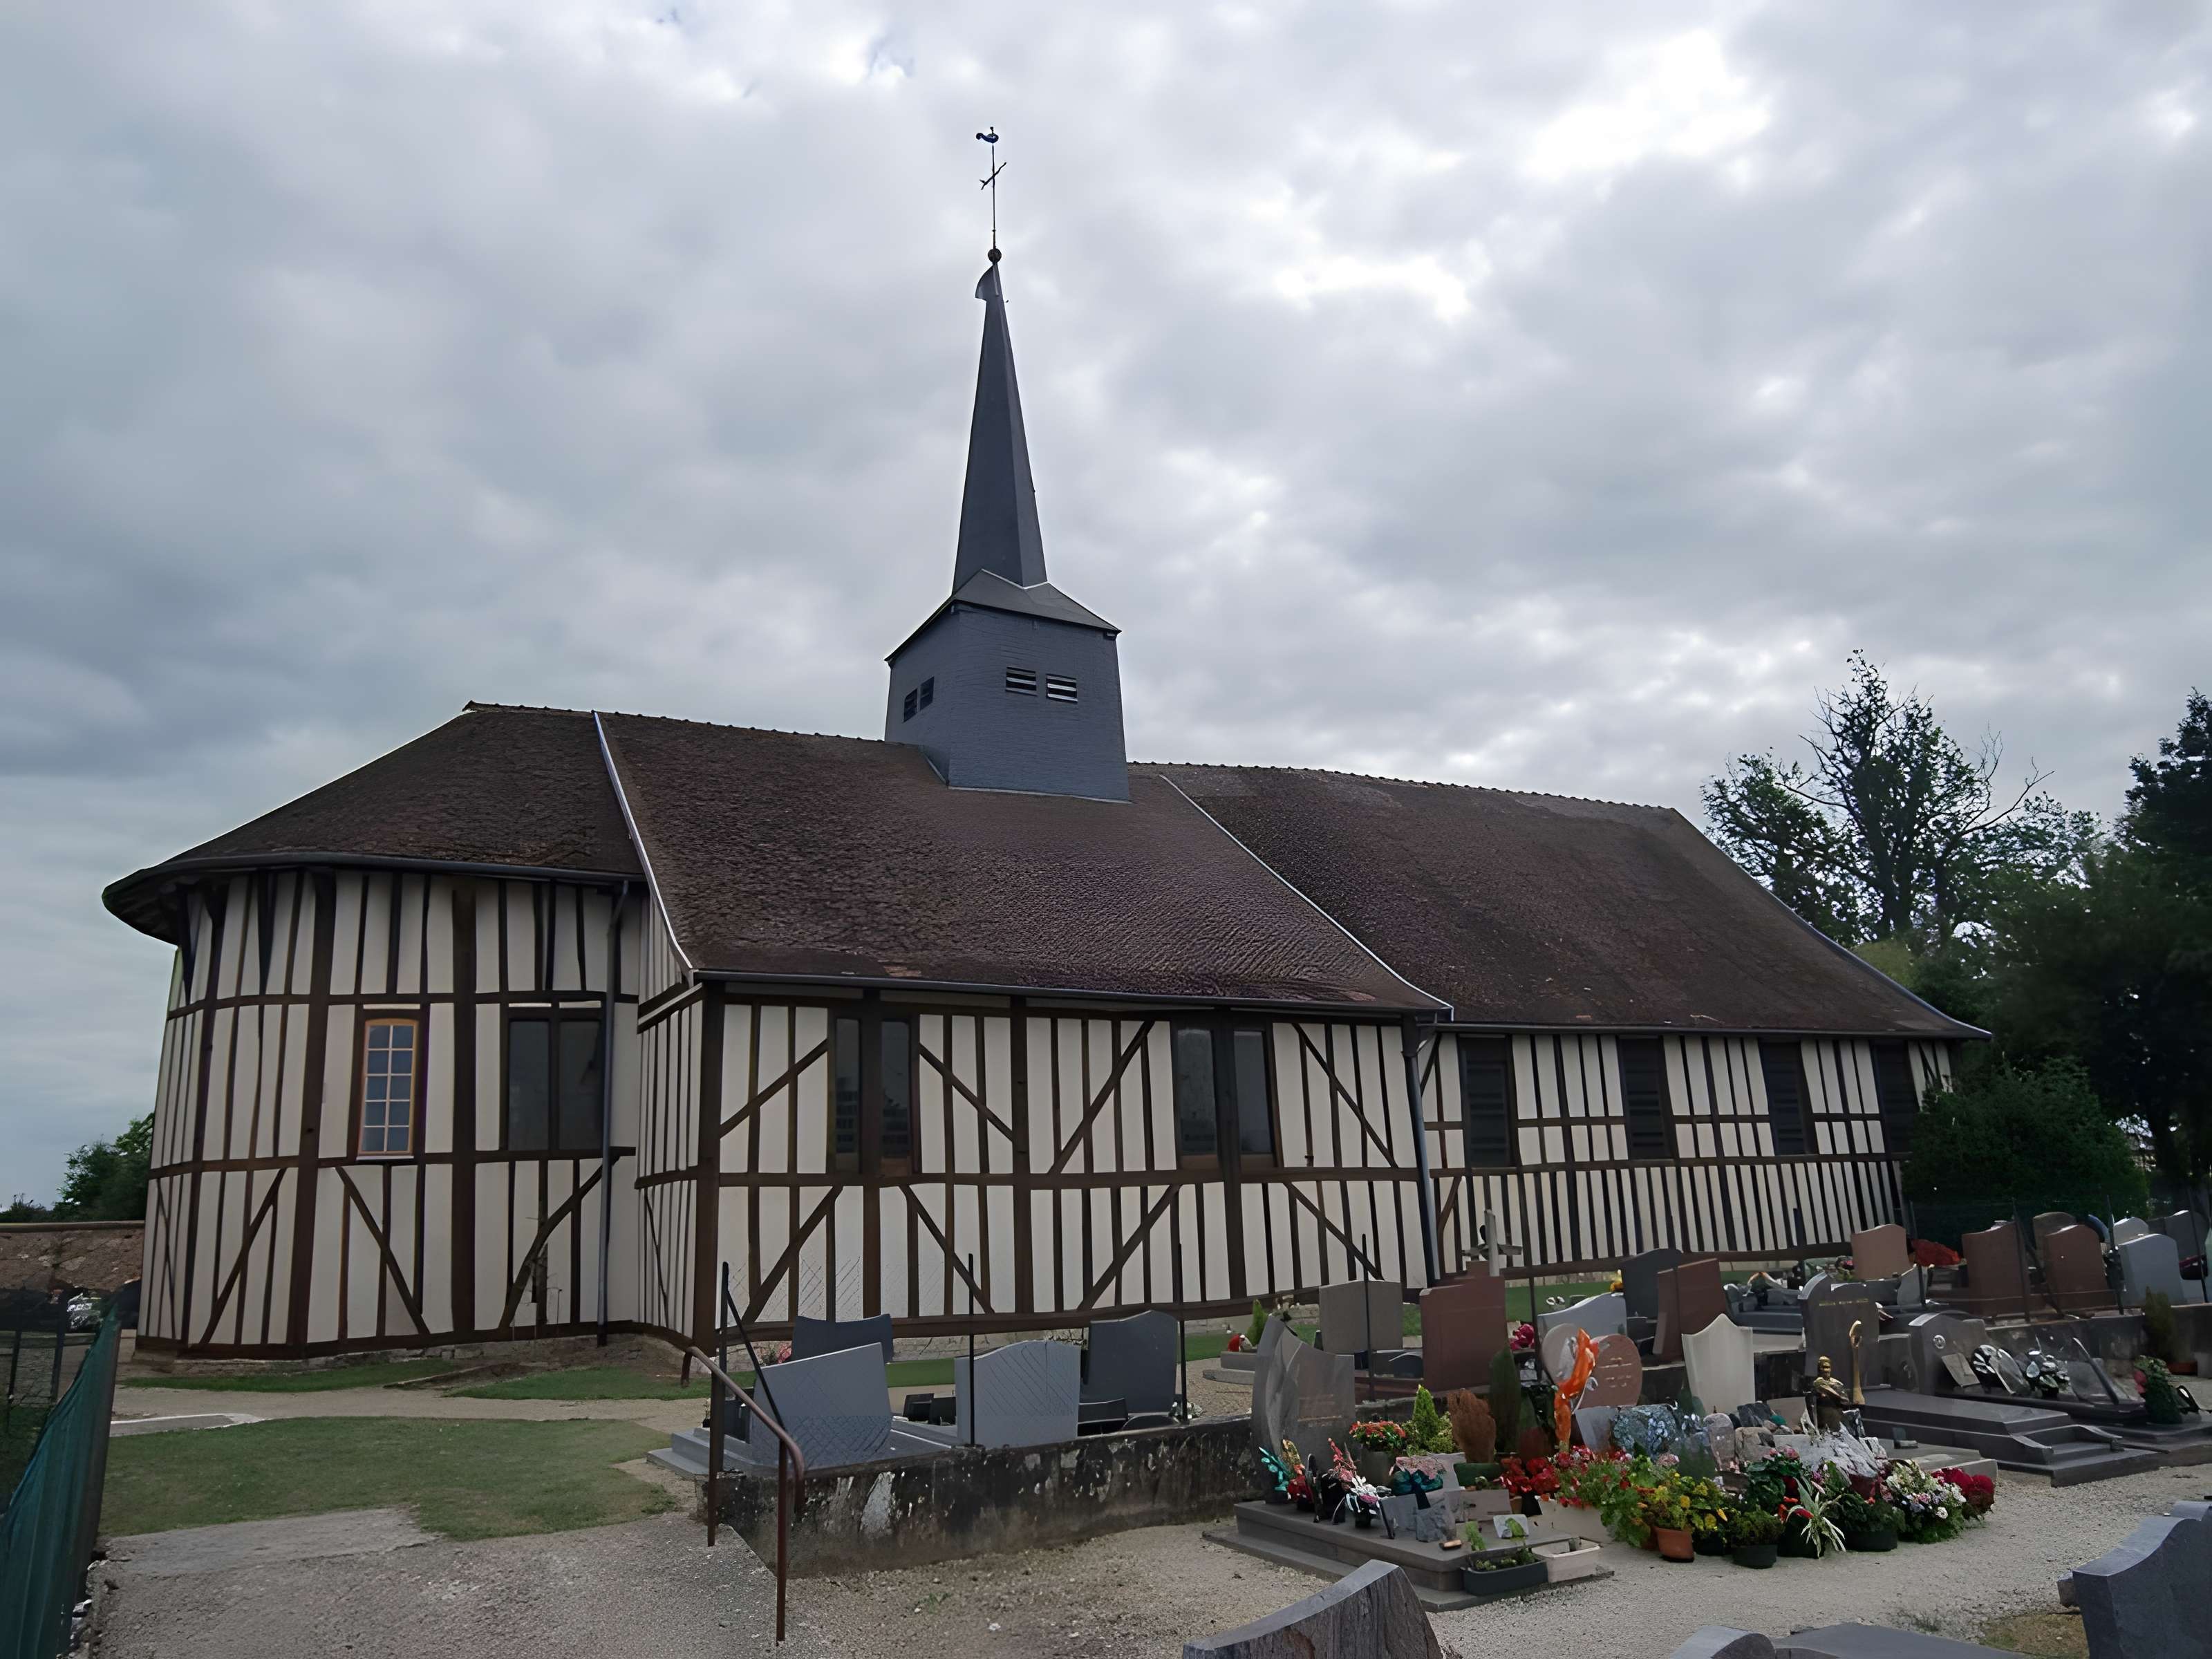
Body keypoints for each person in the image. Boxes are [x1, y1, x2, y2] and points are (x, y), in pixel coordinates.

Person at [1803, 1354, 1852, 1433]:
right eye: (1824, 1367)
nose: (1826, 1370)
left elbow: (1846, 1401)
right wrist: (1837, 1397)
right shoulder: (1818, 1382)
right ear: (1819, 1369)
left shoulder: (1837, 1382)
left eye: (1828, 1367)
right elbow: (1840, 1398)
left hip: (1838, 1416)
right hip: (1825, 1417)